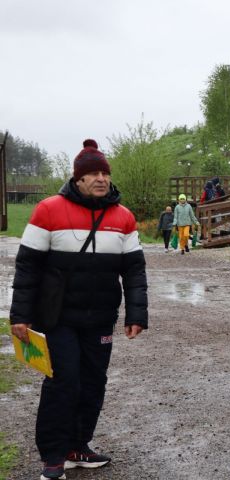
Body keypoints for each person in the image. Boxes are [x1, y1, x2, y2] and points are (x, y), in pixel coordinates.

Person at [10, 139, 148, 480]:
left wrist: (136, 315)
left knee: (93, 383)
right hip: (59, 319)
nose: (101, 178)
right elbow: (28, 267)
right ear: (78, 178)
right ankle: (53, 457)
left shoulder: (124, 217)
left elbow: (134, 271)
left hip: (100, 317)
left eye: (104, 172)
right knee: (63, 382)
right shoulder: (48, 210)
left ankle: (78, 446)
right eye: (93, 173)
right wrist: (20, 315)